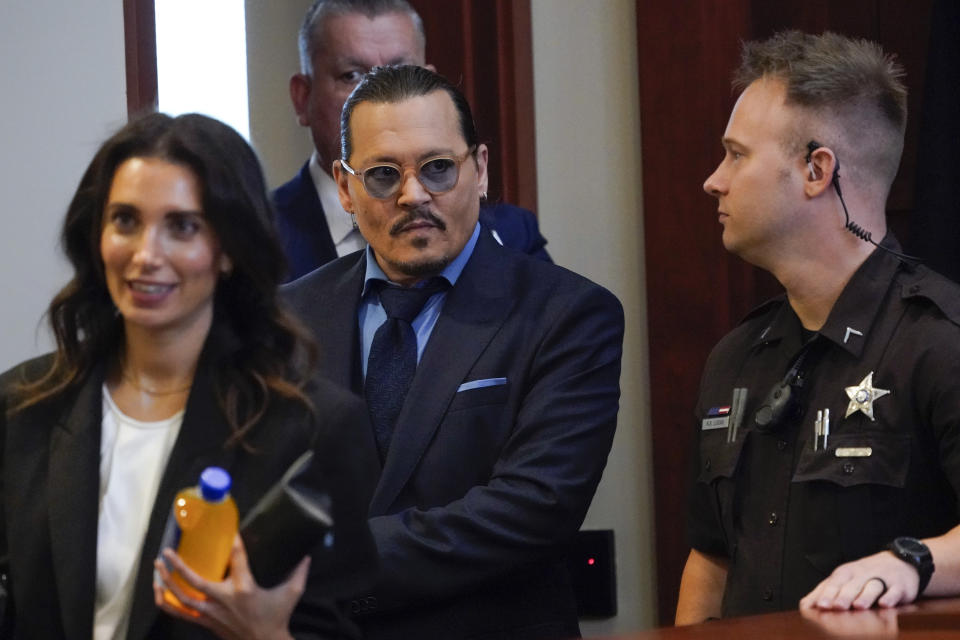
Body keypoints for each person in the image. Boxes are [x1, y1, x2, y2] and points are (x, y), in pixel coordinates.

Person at [0, 113, 378, 639]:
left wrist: (267, 635)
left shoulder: (312, 429)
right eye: (126, 221)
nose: (146, 255)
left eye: (182, 226)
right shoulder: (21, 407)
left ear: (227, 252)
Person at [283, 65, 623, 639]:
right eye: (384, 175)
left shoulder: (566, 314)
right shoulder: (287, 321)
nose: (414, 195)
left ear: (481, 169)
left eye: (438, 168)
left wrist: (333, 563)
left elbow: (532, 510)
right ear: (345, 188)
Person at [676, 31, 960, 624]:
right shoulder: (735, 357)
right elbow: (711, 559)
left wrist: (911, 562)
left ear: (816, 170)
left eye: (736, 154)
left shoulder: (939, 342)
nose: (713, 180)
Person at [275, 0, 550, 282]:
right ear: (302, 97)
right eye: (352, 76)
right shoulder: (249, 236)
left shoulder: (512, 233)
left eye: (403, 74)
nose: (380, 99)